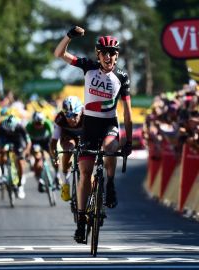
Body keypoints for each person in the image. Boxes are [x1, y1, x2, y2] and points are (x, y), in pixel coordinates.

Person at [54, 26, 133, 243]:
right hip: (89, 127)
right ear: (98, 54)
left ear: (117, 56)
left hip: (109, 125)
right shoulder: (88, 67)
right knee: (85, 172)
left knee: (110, 148)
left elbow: (127, 112)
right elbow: (59, 54)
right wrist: (69, 36)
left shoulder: (122, 77)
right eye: (105, 53)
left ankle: (109, 183)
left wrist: (129, 141)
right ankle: (81, 222)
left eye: (113, 53)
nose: (109, 56)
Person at [49, 96, 84, 201]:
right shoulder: (60, 119)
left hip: (84, 136)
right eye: (68, 115)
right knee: (68, 149)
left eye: (74, 115)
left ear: (81, 111)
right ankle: (66, 182)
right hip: (68, 137)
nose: (71, 119)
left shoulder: (88, 114)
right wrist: (54, 157)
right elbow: (53, 142)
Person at [0, 115, 31, 199]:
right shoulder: (1, 126)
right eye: (7, 129)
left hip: (18, 140)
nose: (9, 131)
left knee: (20, 160)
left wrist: (25, 152)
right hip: (5, 139)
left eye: (10, 129)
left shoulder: (20, 127)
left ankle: (20, 184)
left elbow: (28, 142)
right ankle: (3, 174)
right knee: (1, 153)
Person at [26, 111, 54, 192]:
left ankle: (57, 176)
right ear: (33, 122)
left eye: (40, 123)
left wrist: (52, 150)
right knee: (37, 158)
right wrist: (28, 152)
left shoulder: (48, 124)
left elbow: (53, 137)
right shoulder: (29, 126)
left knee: (53, 155)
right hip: (35, 142)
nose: (39, 126)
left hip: (46, 141)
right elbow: (27, 141)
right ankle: (40, 180)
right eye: (36, 124)